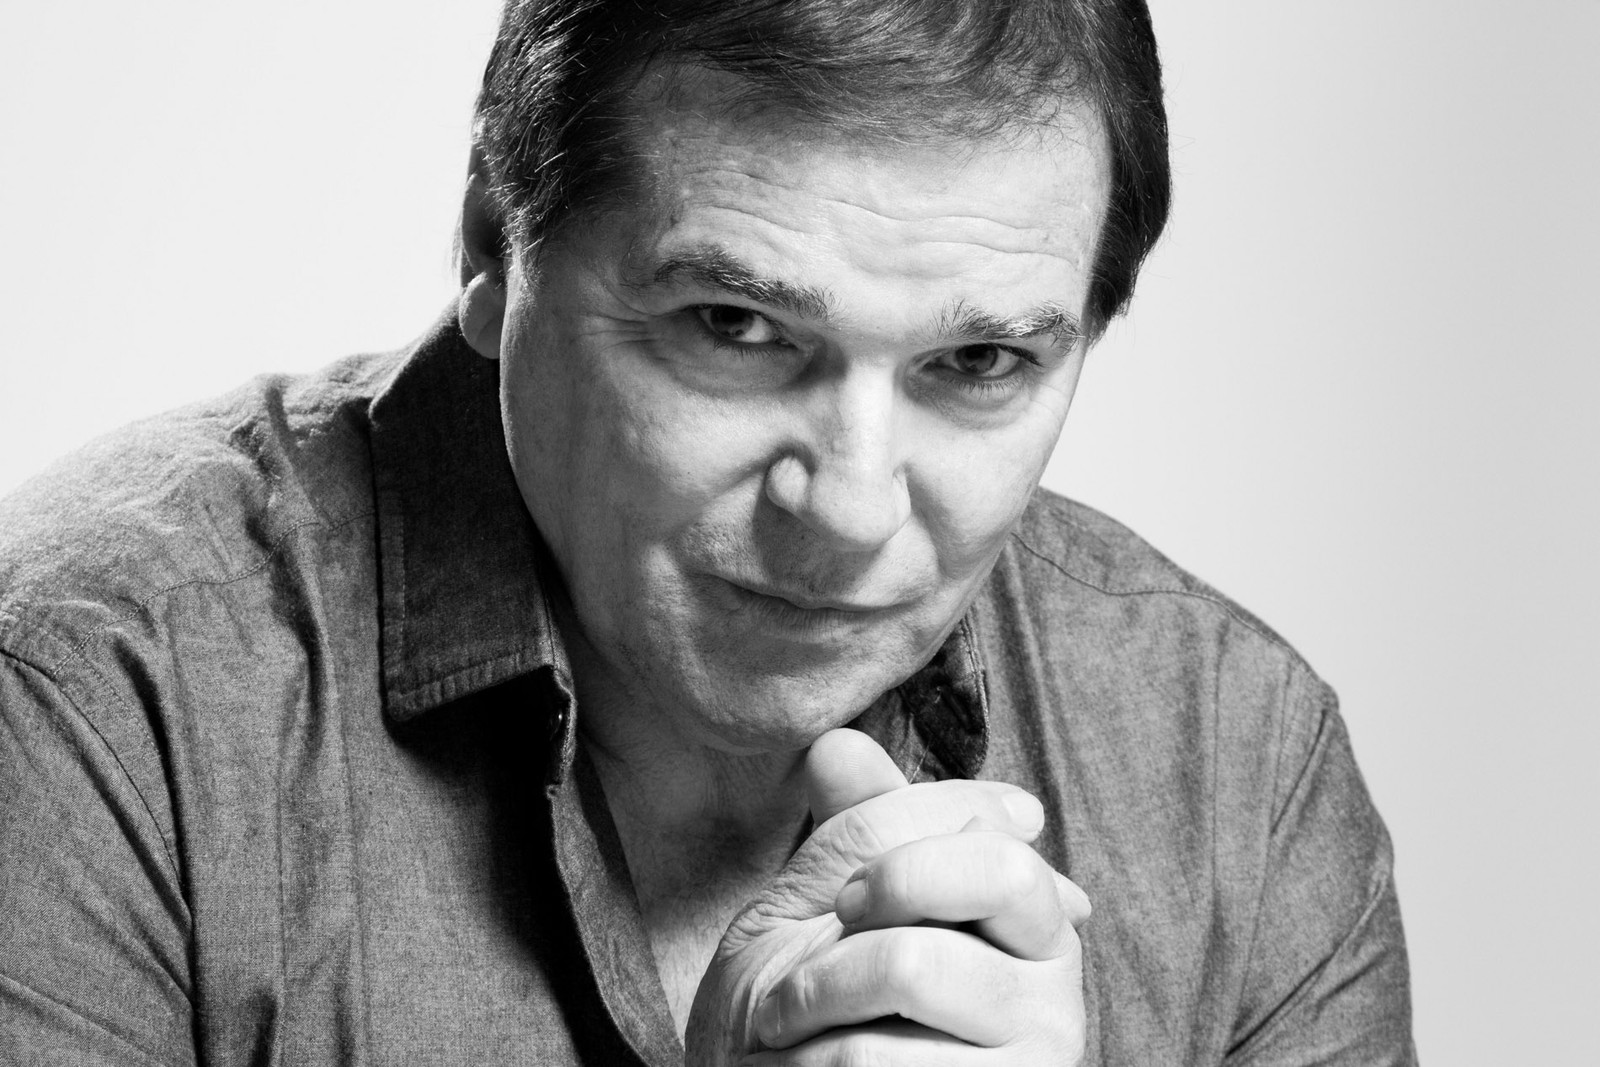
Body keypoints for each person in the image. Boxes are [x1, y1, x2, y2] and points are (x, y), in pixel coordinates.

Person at [0, 0, 1415, 1063]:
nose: (849, 512)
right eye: (735, 328)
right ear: (492, 246)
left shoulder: (1238, 764)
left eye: (979, 363)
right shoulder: (98, 710)